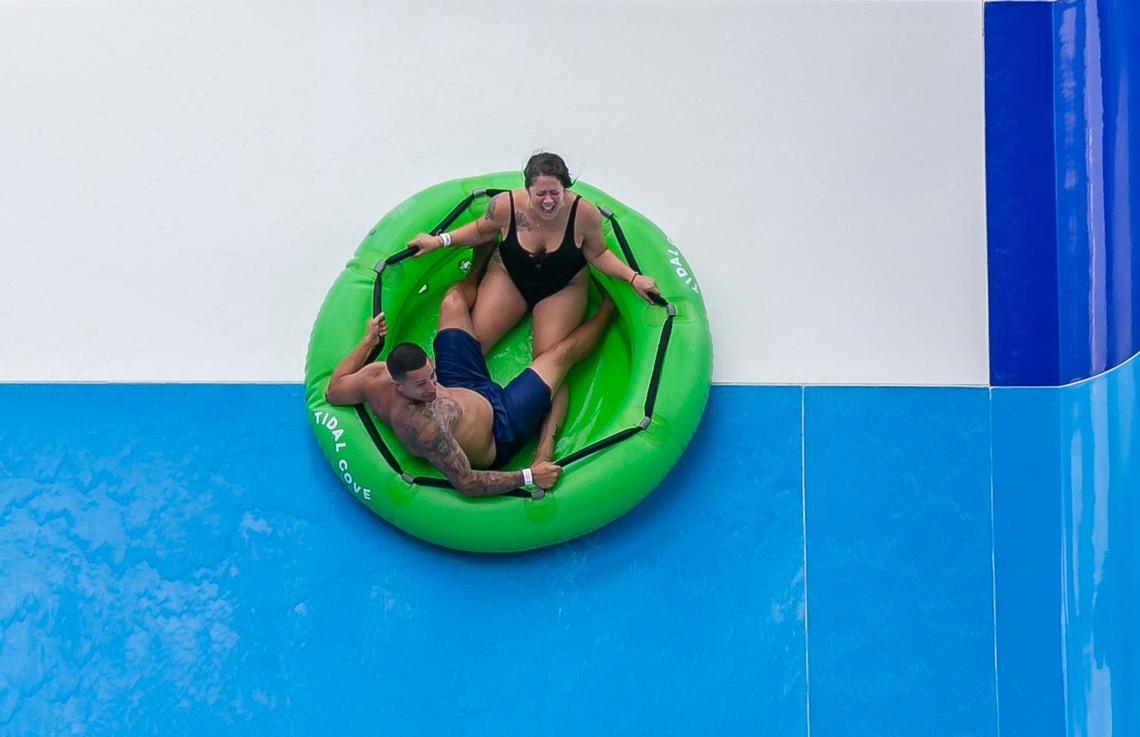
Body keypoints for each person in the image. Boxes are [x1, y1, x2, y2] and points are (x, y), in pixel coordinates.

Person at [407, 152, 659, 464]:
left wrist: (632, 278)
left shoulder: (583, 213)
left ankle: (544, 449)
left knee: (549, 363)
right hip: (510, 278)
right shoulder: (506, 207)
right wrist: (439, 241)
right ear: (528, 189)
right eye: (541, 194)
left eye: (556, 192)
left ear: (566, 188)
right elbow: (480, 230)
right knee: (472, 345)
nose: (549, 201)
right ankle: (422, 402)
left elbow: (598, 253)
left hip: (562, 287)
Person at [324, 249, 615, 496]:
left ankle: (479, 263)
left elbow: (334, 389)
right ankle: (608, 311)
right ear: (398, 387)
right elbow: (467, 483)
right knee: (559, 356)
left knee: (452, 302)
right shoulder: (426, 426)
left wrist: (368, 342)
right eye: (422, 385)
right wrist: (529, 476)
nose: (431, 387)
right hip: (500, 428)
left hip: (463, 385)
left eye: (430, 375)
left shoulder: (379, 375)